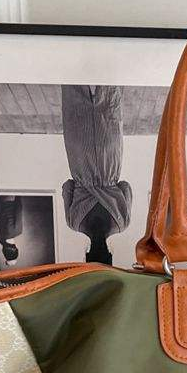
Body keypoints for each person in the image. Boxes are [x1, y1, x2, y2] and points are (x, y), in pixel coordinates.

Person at [61, 85, 132, 265]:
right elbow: (67, 186)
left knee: (110, 103)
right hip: (80, 157)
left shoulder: (122, 223)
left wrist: (108, 187)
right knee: (74, 99)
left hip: (109, 158)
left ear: (110, 253)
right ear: (87, 254)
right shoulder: (74, 223)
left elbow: (125, 187)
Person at [0, 195, 22, 267]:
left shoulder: (18, 231)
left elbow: (18, 210)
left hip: (9, 200)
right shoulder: (0, 239)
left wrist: (18, 196)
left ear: (16, 248)